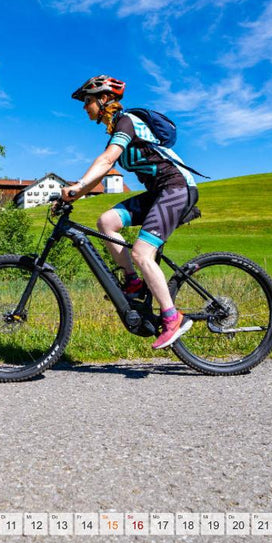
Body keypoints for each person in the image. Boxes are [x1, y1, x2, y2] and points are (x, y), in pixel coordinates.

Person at [61, 74, 200, 350]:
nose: (84, 107)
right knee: (106, 221)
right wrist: (73, 193)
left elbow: (107, 160)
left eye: (87, 101)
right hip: (158, 193)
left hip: (176, 188)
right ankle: (133, 283)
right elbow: (101, 171)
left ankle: (173, 318)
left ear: (104, 99)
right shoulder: (116, 131)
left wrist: (77, 186)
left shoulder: (127, 122)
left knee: (141, 252)